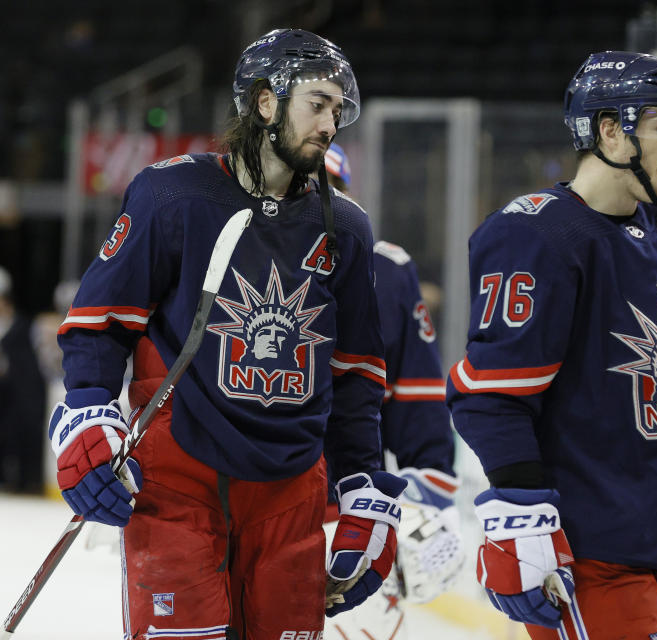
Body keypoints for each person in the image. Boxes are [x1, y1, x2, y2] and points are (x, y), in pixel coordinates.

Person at [51, 28, 407, 640]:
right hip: (178, 479)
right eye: (316, 103)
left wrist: (362, 487)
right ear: (266, 103)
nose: (331, 122)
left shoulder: (345, 228)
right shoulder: (174, 193)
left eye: (337, 109)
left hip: (291, 492)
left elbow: (355, 377)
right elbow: (100, 321)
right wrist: (86, 412)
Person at [447, 51, 657, 639]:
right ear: (611, 132)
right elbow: (492, 395)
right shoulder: (534, 233)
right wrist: (520, 514)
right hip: (593, 550)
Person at [322, 144, 465, 639]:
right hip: (244, 508)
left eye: (328, 189)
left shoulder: (386, 271)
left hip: (346, 520)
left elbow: (417, 398)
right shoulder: (230, 259)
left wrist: (430, 493)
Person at [0, 265, 46, 494]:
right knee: (8, 434)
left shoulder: (26, 325)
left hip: (28, 390)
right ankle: (12, 479)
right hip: (8, 394)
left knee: (28, 435)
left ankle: (30, 481)